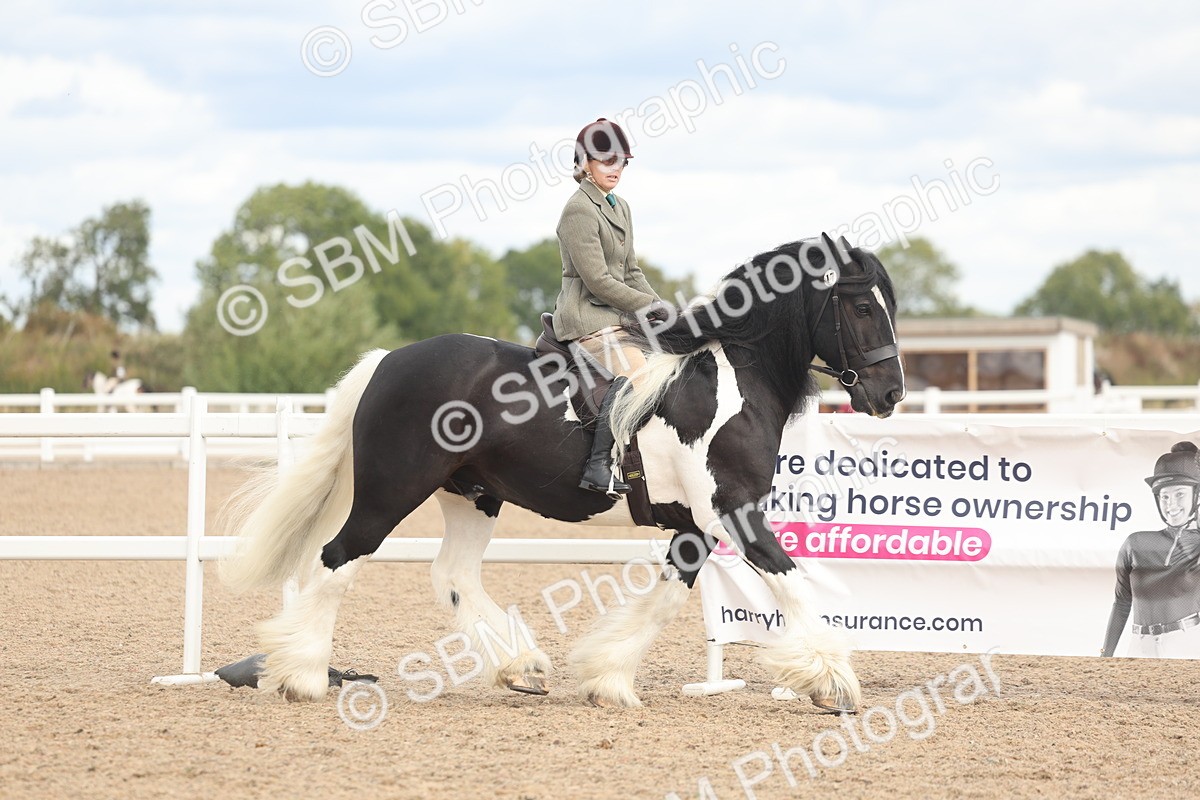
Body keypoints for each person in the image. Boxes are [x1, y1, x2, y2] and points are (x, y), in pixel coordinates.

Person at [551, 118, 670, 496]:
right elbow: (598, 281)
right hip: (587, 318)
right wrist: (646, 306)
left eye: (621, 162)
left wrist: (660, 307)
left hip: (616, 316)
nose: (616, 169)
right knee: (639, 377)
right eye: (606, 162)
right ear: (585, 163)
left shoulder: (621, 208)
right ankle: (599, 465)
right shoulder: (578, 210)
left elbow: (630, 270)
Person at [1102, 441, 1200, 658]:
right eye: (1164, 496)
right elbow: (1122, 602)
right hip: (1139, 644)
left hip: (1188, 642)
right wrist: (1105, 655)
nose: (1171, 504)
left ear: (1196, 495)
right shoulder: (1135, 543)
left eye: (1179, 494)